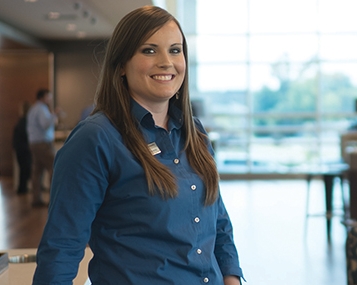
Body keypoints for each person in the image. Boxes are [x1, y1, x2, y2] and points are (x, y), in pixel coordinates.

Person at [33, 6, 244, 285]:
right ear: (121, 65)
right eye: (149, 50)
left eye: (175, 50)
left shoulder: (195, 133)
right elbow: (62, 246)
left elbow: (217, 221)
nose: (166, 62)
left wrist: (232, 278)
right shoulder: (96, 138)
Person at [26, 89, 59, 207]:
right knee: (55, 168)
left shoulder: (33, 109)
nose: (50, 99)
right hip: (42, 144)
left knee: (37, 172)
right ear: (41, 97)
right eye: (48, 97)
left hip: (34, 143)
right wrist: (54, 114)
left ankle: (36, 199)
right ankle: (53, 200)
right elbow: (45, 125)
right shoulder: (41, 109)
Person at [12, 101, 32, 195]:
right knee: (25, 169)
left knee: (23, 169)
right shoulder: (25, 122)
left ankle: (22, 188)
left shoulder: (21, 121)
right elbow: (26, 135)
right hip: (23, 149)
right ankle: (22, 189)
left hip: (20, 148)